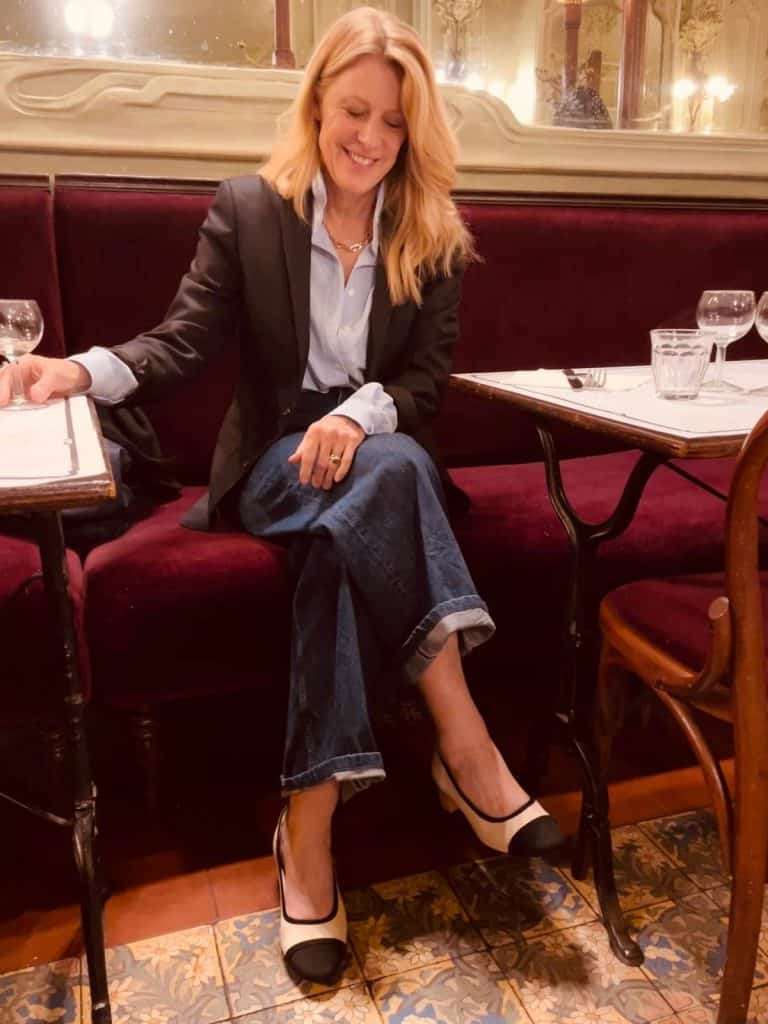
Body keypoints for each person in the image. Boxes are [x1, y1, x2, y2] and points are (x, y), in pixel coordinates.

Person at [0, 7, 562, 985]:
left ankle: (306, 831)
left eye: (394, 122)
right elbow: (180, 342)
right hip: (274, 462)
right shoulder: (251, 211)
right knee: (385, 475)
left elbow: (424, 386)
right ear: (317, 106)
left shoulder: (432, 235)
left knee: (362, 507)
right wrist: (77, 372)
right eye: (355, 110)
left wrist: (358, 415)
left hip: (378, 450)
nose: (371, 138)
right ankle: (464, 743)